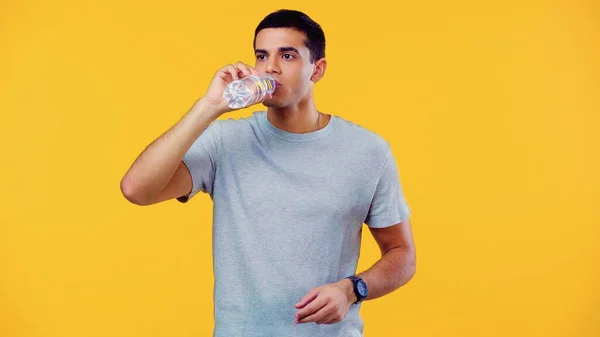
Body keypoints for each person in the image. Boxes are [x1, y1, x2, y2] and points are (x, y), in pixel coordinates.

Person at [120, 9, 416, 337]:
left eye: (287, 55)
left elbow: (402, 255)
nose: (270, 67)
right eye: (262, 56)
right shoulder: (225, 142)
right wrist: (210, 106)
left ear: (317, 70)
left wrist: (352, 289)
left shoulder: (368, 151)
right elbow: (136, 189)